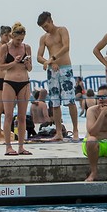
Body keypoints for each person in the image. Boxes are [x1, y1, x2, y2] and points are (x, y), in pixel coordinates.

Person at [35, 12, 78, 142]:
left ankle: (75, 130)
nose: (45, 29)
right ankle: (58, 132)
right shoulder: (44, 38)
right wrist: (50, 62)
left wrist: (52, 58)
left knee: (70, 100)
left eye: (46, 26)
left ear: (51, 21)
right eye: (43, 27)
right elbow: (39, 57)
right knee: (55, 102)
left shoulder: (62, 30)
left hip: (65, 68)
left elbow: (66, 47)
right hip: (52, 71)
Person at [0, 23, 34, 156]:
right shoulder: (4, 48)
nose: (20, 42)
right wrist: (14, 62)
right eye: (18, 39)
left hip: (24, 82)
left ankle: (21, 146)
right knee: (8, 116)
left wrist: (27, 63)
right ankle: (8, 146)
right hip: (9, 82)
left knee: (22, 117)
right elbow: (1, 66)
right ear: (12, 36)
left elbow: (30, 68)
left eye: (22, 40)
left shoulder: (27, 48)